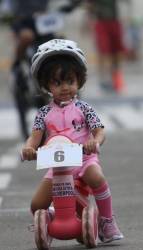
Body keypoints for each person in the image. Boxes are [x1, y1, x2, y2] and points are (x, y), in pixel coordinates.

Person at [21, 39, 124, 243]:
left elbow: (99, 131)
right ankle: (50, 216)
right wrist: (28, 149)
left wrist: (94, 142)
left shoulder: (84, 108)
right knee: (36, 205)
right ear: (46, 84)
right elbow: (34, 138)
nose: (65, 87)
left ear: (79, 80)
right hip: (58, 166)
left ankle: (106, 221)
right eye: (57, 82)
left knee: (97, 177)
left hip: (84, 160)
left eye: (70, 81)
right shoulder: (43, 113)